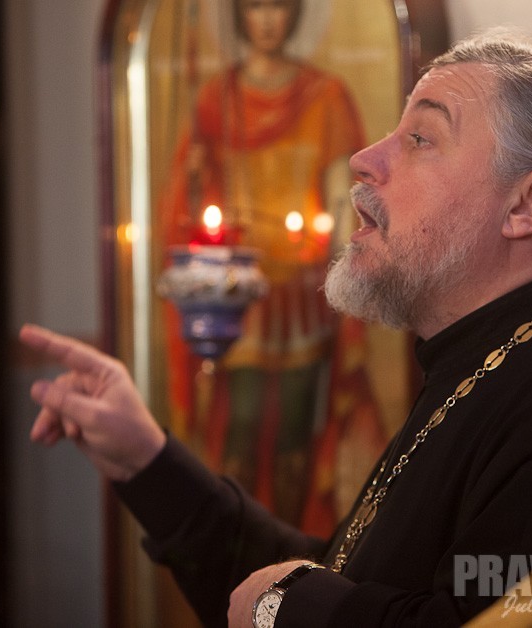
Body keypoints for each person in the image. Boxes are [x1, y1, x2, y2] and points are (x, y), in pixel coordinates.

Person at [21, 28, 532, 627]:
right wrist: (145, 461)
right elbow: (343, 577)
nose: (365, 158)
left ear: (528, 203)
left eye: (420, 138)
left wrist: (289, 609)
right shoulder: (490, 363)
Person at [158, 0, 382, 529]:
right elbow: (187, 209)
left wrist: (339, 259)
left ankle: (289, 544)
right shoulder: (216, 98)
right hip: (241, 297)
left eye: (277, 6)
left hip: (304, 296)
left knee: (295, 434)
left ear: (295, 14)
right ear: (239, 15)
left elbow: (342, 198)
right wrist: (195, 178)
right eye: (254, 6)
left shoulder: (324, 97)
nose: (265, 19)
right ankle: (238, 542)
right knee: (241, 426)